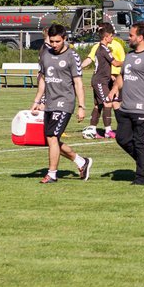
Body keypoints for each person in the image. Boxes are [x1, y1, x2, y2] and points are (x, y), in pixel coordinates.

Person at [31, 23, 91, 183]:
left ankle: (52, 174)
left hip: (65, 103)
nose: (54, 45)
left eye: (57, 41)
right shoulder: (45, 54)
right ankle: (81, 161)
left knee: (51, 136)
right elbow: (43, 80)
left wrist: (81, 106)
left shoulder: (72, 56)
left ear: (64, 39)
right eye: (52, 41)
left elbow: (78, 82)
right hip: (49, 103)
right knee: (51, 140)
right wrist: (38, 101)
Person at [107, 21, 144, 184]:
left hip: (143, 108)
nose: (128, 38)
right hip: (126, 106)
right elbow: (122, 76)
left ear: (140, 37)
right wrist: (113, 90)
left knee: (141, 143)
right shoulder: (129, 56)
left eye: (131, 35)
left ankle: (141, 178)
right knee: (122, 138)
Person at [81, 22, 125, 140]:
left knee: (98, 105)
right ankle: (108, 131)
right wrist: (128, 61)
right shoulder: (103, 49)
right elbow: (115, 63)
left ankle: (92, 130)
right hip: (100, 81)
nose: (112, 38)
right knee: (108, 103)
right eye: (111, 36)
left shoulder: (102, 47)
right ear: (106, 37)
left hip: (102, 80)